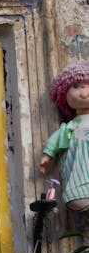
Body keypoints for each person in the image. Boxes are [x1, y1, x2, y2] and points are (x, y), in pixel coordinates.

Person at [39, 61, 89, 209]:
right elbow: (55, 141)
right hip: (79, 186)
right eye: (75, 86)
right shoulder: (69, 127)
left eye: (86, 85)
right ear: (64, 95)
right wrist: (47, 156)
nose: (83, 92)